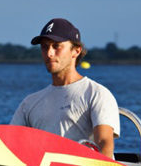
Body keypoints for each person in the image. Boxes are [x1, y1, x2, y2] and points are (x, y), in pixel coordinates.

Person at [10, 18, 120, 158]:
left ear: (76, 51)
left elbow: (104, 144)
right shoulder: (29, 103)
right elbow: (11, 144)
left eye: (56, 46)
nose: (49, 53)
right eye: (44, 47)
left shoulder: (97, 94)